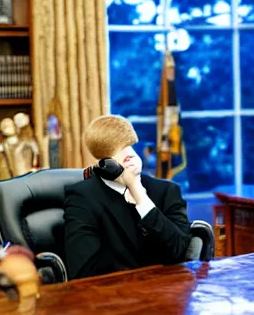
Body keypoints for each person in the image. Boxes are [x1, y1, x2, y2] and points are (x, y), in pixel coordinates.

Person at [64, 115, 192, 280]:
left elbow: (179, 253)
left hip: (166, 293)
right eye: (119, 149)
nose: (130, 154)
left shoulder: (167, 191)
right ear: (105, 163)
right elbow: (83, 272)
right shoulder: (83, 197)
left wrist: (139, 195)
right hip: (116, 297)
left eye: (130, 146)